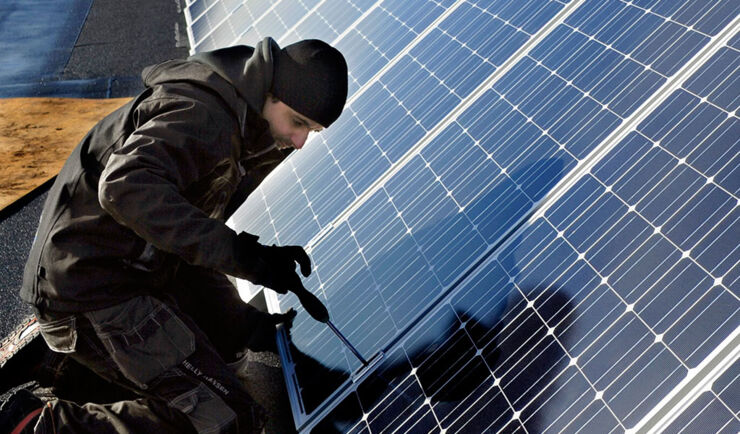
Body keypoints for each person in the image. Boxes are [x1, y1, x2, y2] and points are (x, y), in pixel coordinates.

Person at [1, 36, 348, 433]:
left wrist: (255, 273)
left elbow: (184, 229)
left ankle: (111, 375)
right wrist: (246, 258)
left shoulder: (240, 114)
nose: (301, 141)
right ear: (270, 92)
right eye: (299, 122)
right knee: (226, 421)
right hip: (89, 288)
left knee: (232, 337)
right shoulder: (205, 113)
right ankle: (34, 425)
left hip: (129, 266)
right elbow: (123, 187)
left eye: (313, 131)